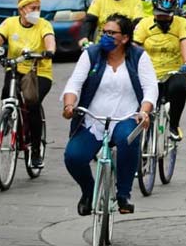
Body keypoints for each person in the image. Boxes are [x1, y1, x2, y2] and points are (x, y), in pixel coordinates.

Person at [62, 14, 157, 216]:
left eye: (111, 33)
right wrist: (70, 104)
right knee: (73, 157)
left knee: (127, 140)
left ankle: (123, 195)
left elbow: (150, 88)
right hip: (93, 119)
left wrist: (144, 111)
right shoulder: (91, 54)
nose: (105, 36)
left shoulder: (138, 56)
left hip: (126, 118)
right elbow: (75, 82)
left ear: (125, 38)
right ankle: (88, 192)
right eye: (103, 32)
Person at [0, 0, 56, 168]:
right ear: (21, 9)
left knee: (32, 103)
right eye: (33, 8)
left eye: (38, 8)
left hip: (39, 72)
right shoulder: (10, 23)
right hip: (15, 68)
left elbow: (49, 39)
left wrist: (49, 50)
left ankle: (36, 152)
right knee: (7, 93)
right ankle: (8, 118)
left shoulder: (43, 25)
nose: (36, 12)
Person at [133, 0, 186, 140]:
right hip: (149, 73)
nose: (163, 18)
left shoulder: (181, 23)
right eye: (159, 14)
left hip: (173, 72)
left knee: (179, 86)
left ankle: (174, 125)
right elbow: (135, 47)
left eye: (167, 14)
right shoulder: (144, 24)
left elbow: (185, 42)